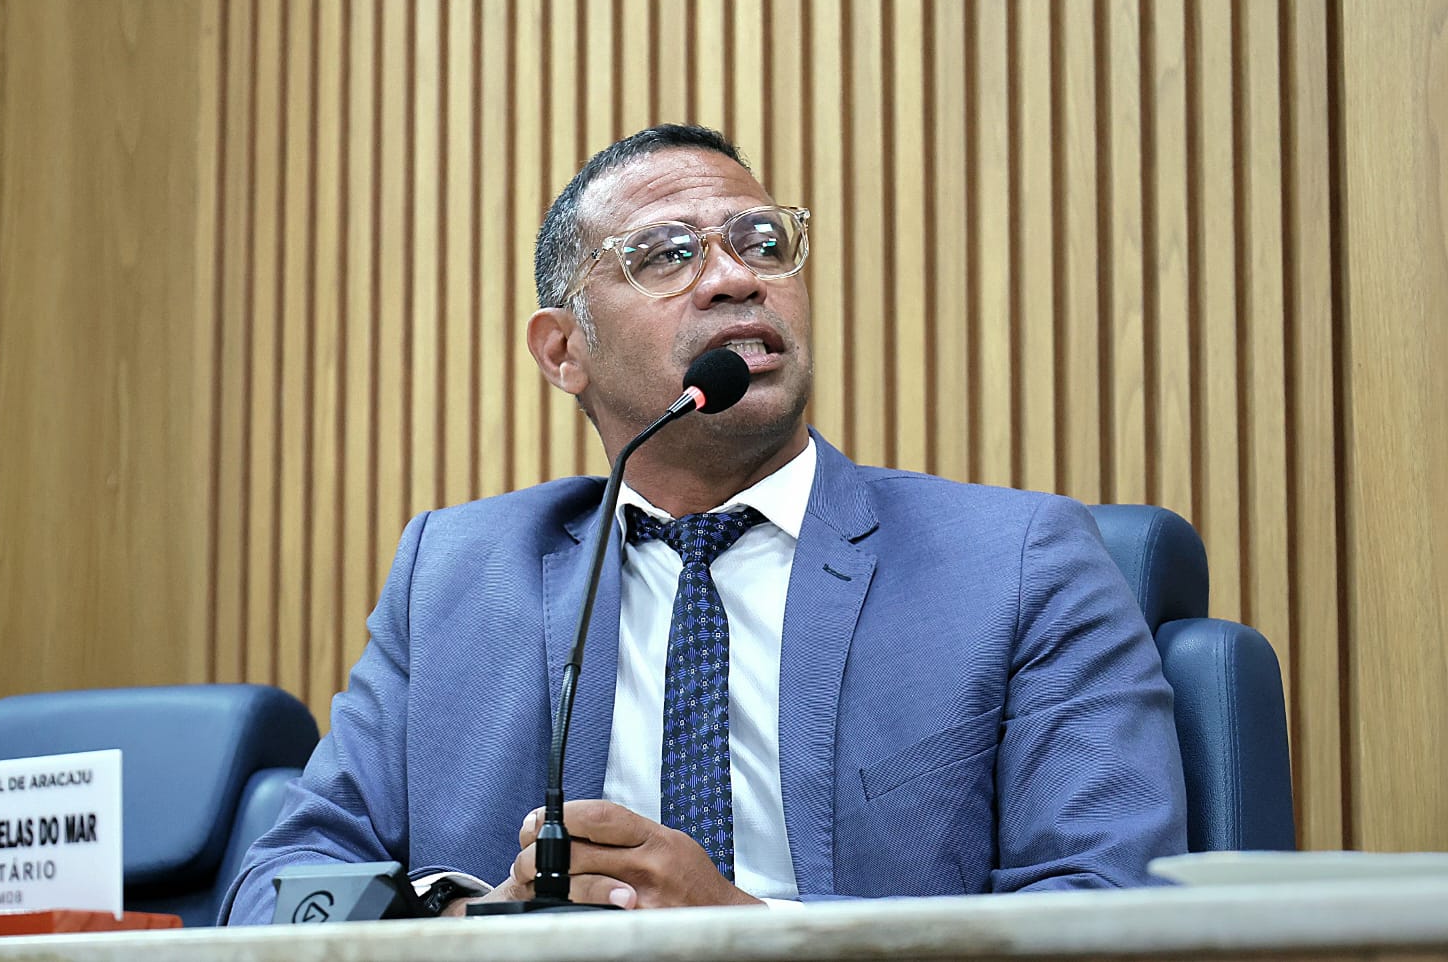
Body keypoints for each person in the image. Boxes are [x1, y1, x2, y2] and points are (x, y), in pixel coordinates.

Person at [222, 123, 1185, 922]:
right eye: (668, 255)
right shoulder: (457, 573)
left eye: (762, 242)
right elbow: (280, 890)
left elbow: (1109, 907)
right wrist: (475, 924)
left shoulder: (1016, 563)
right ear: (563, 352)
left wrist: (746, 932)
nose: (735, 278)